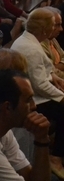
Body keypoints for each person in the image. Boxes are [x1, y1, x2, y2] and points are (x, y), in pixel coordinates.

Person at [10, 8, 64, 158]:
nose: (59, 29)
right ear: (44, 29)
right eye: (54, 25)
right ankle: (57, 155)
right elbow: (40, 85)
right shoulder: (31, 48)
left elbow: (43, 69)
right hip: (33, 99)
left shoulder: (29, 39)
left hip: (34, 91)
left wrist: (53, 77)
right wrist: (61, 97)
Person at [40, 7, 64, 80]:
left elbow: (63, 55)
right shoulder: (38, 44)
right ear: (44, 25)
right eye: (57, 25)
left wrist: (60, 65)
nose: (61, 29)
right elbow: (51, 72)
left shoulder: (52, 38)